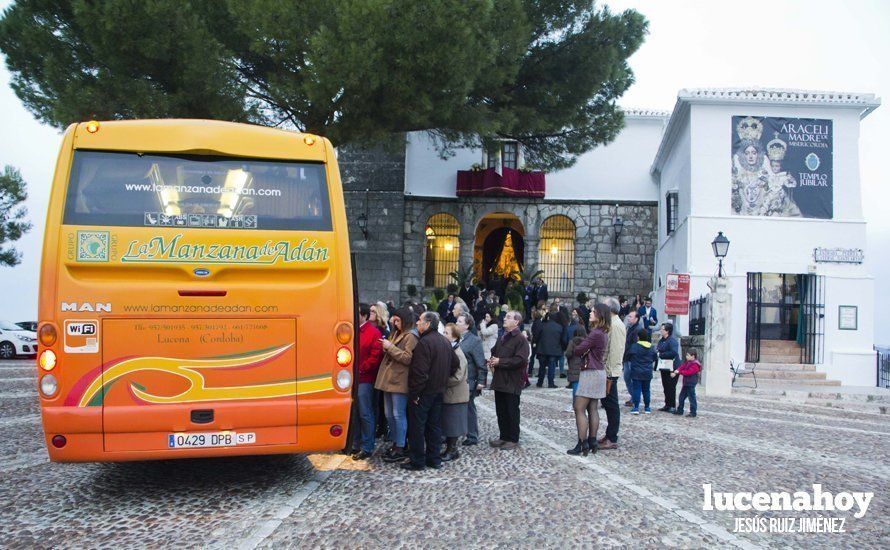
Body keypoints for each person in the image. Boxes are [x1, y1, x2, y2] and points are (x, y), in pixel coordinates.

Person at [403, 312, 458, 471]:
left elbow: (419, 372)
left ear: (427, 324)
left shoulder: (424, 343)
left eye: (419, 321)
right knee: (434, 426)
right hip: (438, 390)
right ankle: (434, 459)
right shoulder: (444, 341)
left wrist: (415, 394)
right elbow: (454, 364)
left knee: (417, 427)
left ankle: (418, 461)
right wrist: (442, 377)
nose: (417, 324)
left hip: (425, 392)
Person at [375, 308, 418, 463]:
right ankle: (395, 443)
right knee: (389, 415)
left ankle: (400, 445)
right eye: (394, 320)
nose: (394, 322)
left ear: (405, 320)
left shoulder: (410, 336)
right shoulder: (396, 333)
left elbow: (408, 358)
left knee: (398, 414)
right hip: (389, 379)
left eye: (398, 320)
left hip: (399, 380)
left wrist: (390, 347)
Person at [568, 303, 610, 456]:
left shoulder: (595, 333)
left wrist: (581, 348)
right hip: (599, 371)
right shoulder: (603, 332)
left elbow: (578, 350)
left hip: (590, 372)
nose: (590, 313)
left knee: (579, 408)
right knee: (592, 408)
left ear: (600, 315)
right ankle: (592, 441)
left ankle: (582, 443)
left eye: (593, 312)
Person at [488, 311, 530, 451]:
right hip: (500, 380)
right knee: (501, 410)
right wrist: (492, 360)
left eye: (508, 317)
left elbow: (520, 360)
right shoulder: (503, 336)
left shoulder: (520, 339)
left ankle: (513, 438)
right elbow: (494, 351)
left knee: (511, 410)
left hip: (512, 381)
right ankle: (503, 436)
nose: (504, 319)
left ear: (516, 322)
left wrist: (501, 361)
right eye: (505, 317)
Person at [354, 303, 383, 460]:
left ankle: (367, 446)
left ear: (364, 315)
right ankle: (355, 443)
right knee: (355, 412)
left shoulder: (374, 332)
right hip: (353, 377)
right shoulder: (353, 329)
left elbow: (375, 356)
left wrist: (361, 369)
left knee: (365, 413)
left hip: (365, 378)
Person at [599, 298, 626, 450]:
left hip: (610, 371)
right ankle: (609, 434)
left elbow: (615, 351)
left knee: (611, 404)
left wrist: (608, 373)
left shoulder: (616, 326)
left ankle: (612, 437)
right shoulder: (612, 324)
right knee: (608, 404)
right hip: (608, 370)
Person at [456, 313, 486, 446]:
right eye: (457, 321)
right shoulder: (456, 338)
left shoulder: (474, 340)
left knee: (468, 408)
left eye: (460, 322)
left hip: (470, 380)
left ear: (467, 325)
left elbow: (480, 363)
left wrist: (481, 381)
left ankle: (472, 435)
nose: (457, 323)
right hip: (457, 380)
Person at [441, 323, 469, 460]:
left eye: (446, 333)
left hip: (456, 394)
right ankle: (450, 449)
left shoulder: (458, 354)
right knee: (448, 422)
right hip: (449, 394)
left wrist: (440, 381)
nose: (443, 335)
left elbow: (458, 377)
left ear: (454, 337)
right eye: (444, 332)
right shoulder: (449, 350)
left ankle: (452, 450)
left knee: (453, 424)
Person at [627, 327, 657, 415]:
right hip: (647, 372)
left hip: (636, 372)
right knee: (646, 390)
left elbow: (628, 356)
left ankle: (636, 407)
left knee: (637, 389)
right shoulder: (651, 347)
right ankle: (647, 407)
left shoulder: (634, 347)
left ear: (638, 337)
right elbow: (655, 358)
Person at [533, 310, 564, 388]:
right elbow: (562, 339)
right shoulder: (559, 327)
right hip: (554, 350)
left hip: (542, 349)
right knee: (551, 367)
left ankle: (540, 382)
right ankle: (551, 383)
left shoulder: (542, 325)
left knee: (542, 367)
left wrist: (535, 343)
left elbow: (536, 336)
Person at [657, 322, 681, 413]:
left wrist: (662, 355)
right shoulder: (662, 340)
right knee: (665, 386)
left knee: (671, 387)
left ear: (667, 331)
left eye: (662, 329)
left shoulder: (672, 341)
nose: (661, 331)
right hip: (664, 366)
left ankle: (672, 406)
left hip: (672, 367)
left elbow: (674, 352)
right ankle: (667, 404)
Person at [564, 324, 588, 412]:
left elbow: (568, 353)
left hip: (574, 365)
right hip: (584, 366)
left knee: (575, 386)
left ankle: (575, 405)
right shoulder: (587, 341)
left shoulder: (572, 342)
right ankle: (584, 405)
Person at [673, 349, 702, 418]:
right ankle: (680, 410)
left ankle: (693, 412)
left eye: (688, 355)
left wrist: (679, 372)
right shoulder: (688, 362)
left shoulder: (695, 364)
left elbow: (688, 372)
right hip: (686, 383)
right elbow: (682, 366)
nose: (686, 356)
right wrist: (678, 370)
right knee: (681, 397)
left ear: (693, 356)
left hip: (691, 384)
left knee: (692, 398)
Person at [623, 310, 641, 406]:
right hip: (627, 356)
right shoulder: (630, 327)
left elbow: (635, 345)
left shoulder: (637, 329)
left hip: (631, 357)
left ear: (636, 318)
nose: (629, 318)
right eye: (628, 316)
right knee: (627, 377)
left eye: (631, 317)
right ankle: (633, 397)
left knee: (629, 377)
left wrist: (630, 354)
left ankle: (634, 397)